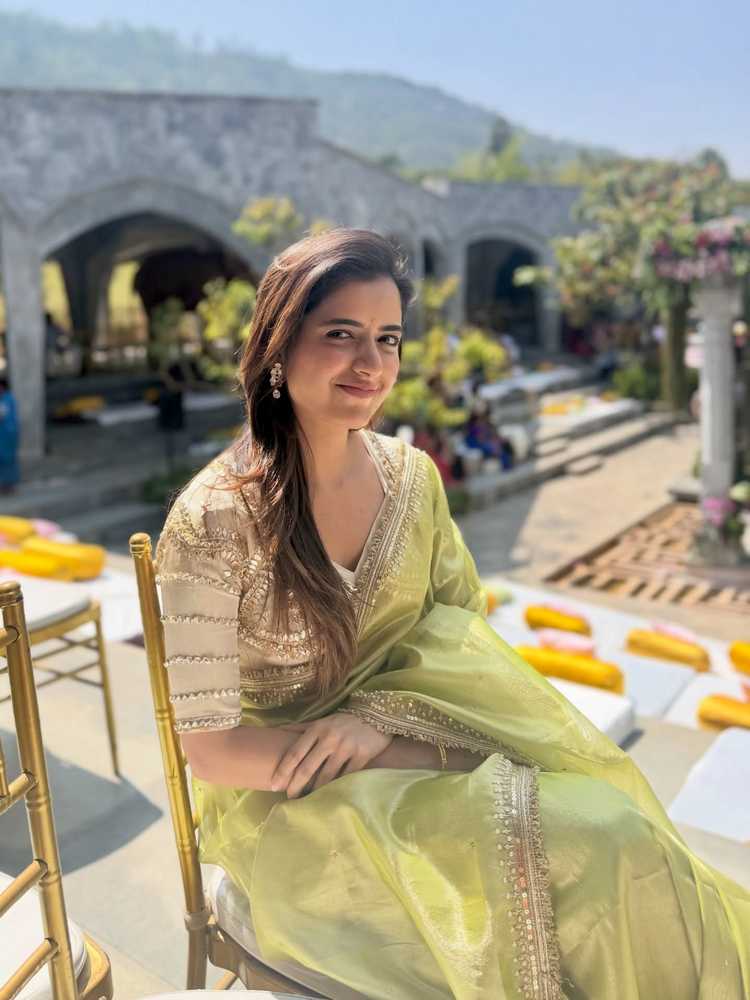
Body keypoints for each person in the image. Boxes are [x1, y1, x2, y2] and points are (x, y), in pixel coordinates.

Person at [155, 228, 750, 999]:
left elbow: (461, 631)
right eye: (340, 334)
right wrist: (381, 750)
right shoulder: (213, 523)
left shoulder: (411, 479)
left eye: (387, 339)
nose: (371, 364)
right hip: (298, 807)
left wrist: (381, 724)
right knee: (595, 842)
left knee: (622, 833)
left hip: (427, 746)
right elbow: (214, 752)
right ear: (278, 342)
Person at [0, 377, 19, 494]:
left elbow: (3, 415)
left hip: (8, 435)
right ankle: (4, 484)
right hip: (3, 435)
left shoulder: (8, 399)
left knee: (8, 460)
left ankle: (9, 485)